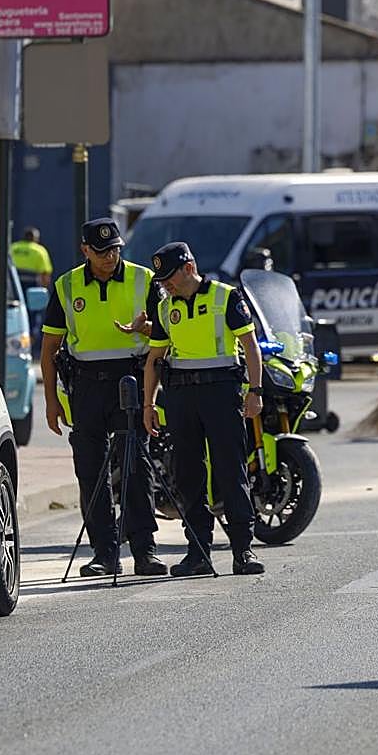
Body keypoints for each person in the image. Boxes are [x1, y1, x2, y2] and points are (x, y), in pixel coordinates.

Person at [40, 218, 166, 577]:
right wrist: (51, 400)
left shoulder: (145, 280)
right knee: (90, 471)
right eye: (101, 251)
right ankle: (105, 552)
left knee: (135, 465)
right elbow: (50, 346)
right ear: (85, 251)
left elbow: (167, 332)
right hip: (86, 387)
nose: (110, 257)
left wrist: (145, 328)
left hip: (131, 379)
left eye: (115, 250)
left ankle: (145, 551)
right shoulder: (67, 285)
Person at [140, 241, 266, 577]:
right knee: (187, 475)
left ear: (189, 268)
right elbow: (154, 358)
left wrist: (255, 391)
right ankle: (197, 552)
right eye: (161, 279)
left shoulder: (225, 297)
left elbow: (250, 347)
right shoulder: (166, 307)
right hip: (181, 395)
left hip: (221, 392)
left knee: (231, 469)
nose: (165, 284)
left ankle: (243, 550)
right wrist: (148, 404)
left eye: (169, 277)